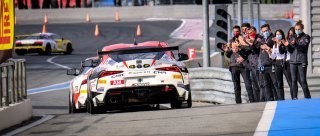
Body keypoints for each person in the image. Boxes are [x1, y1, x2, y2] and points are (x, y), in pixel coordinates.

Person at [282, 20, 311, 99]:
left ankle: (307, 97)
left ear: (302, 29)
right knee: (293, 80)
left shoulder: (306, 37)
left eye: (299, 29)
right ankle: (294, 97)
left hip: (302, 61)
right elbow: (291, 50)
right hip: (292, 61)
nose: (297, 31)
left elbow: (303, 48)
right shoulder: (292, 37)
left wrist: (295, 44)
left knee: (302, 80)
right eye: (296, 29)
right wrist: (287, 45)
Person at [238, 27, 265, 102]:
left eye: (251, 32)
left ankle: (263, 100)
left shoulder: (259, 38)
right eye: (248, 33)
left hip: (259, 64)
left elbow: (255, 50)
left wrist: (250, 44)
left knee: (261, 84)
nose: (250, 34)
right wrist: (239, 49)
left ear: (255, 32)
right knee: (255, 85)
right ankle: (257, 101)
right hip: (252, 64)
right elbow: (246, 53)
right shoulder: (247, 40)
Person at [259, 24, 282, 101]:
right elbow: (260, 51)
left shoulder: (272, 38)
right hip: (264, 65)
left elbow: (270, 46)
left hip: (272, 64)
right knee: (266, 84)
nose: (265, 32)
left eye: (266, 31)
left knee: (275, 83)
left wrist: (265, 46)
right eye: (263, 31)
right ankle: (270, 99)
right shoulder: (262, 40)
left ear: (269, 30)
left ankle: (279, 98)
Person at [269, 29, 286, 100]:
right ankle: (281, 98)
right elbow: (273, 56)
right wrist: (269, 52)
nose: (278, 36)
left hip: (284, 62)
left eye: (279, 34)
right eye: (277, 34)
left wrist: (279, 43)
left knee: (289, 80)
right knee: (279, 82)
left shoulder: (284, 43)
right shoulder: (274, 45)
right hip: (277, 63)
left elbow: (282, 53)